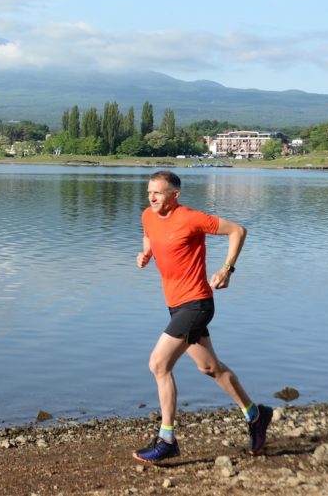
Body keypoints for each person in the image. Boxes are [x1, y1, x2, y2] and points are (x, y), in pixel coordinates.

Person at [132, 170, 272, 464]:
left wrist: (227, 269)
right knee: (210, 368)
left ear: (175, 195)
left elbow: (238, 230)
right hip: (176, 305)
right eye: (149, 193)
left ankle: (167, 439)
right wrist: (145, 253)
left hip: (197, 304)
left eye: (158, 193)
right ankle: (256, 415)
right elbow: (149, 236)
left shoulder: (191, 218)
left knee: (158, 364)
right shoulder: (148, 215)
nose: (152, 198)